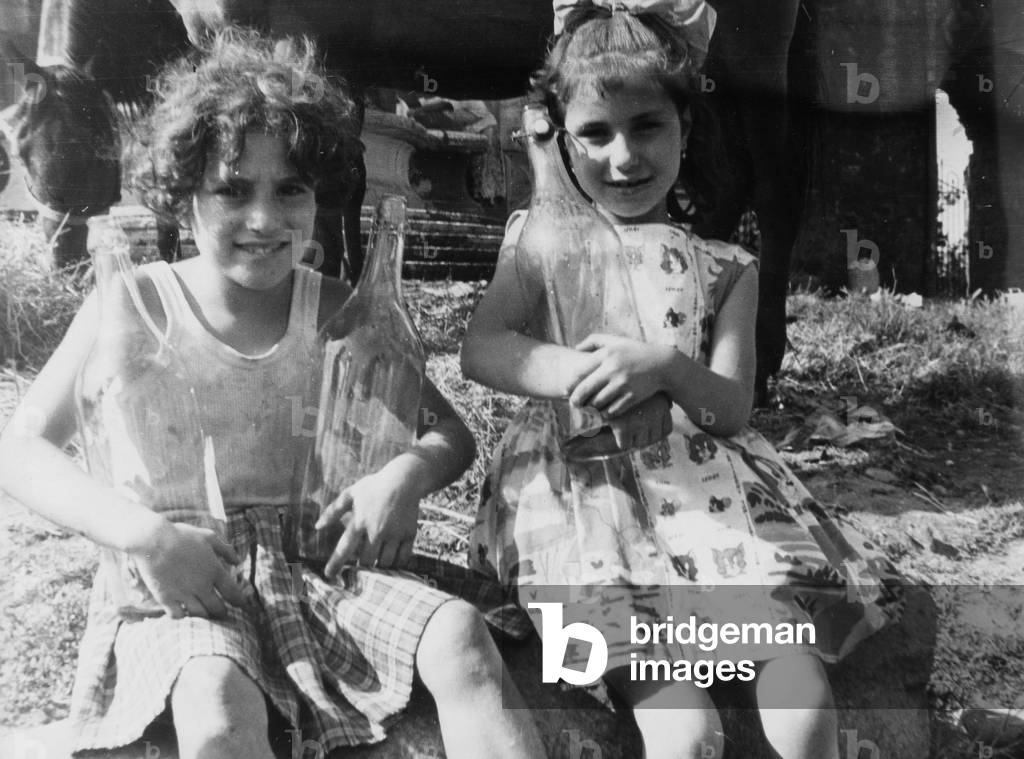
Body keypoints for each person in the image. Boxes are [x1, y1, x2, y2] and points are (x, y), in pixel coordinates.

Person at [0, 30, 544, 759]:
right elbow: (21, 449)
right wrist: (141, 534)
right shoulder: (131, 305)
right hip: (191, 579)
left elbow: (450, 434)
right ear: (182, 194)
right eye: (232, 189)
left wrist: (403, 477)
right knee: (217, 702)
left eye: (290, 188)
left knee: (461, 638)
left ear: (319, 194)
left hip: (319, 570)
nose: (264, 218)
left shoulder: (339, 310)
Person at [461, 6, 902, 759]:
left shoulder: (727, 266)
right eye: (595, 133)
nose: (623, 155)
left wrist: (665, 366)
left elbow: (731, 407)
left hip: (710, 495)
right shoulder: (542, 243)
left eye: (647, 126)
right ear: (564, 141)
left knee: (800, 692)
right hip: (584, 497)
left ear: (687, 130)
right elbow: (484, 348)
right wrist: (581, 372)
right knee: (686, 727)